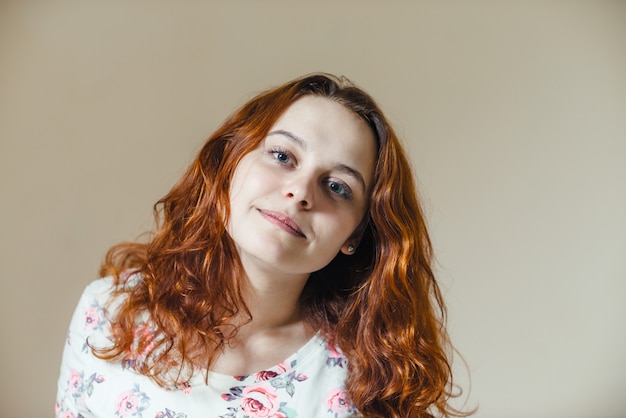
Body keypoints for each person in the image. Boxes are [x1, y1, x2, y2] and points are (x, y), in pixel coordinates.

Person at [56, 73, 468, 418]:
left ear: (356, 236)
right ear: (229, 166)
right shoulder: (108, 314)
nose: (301, 192)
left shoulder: (367, 379)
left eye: (337, 186)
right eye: (282, 156)